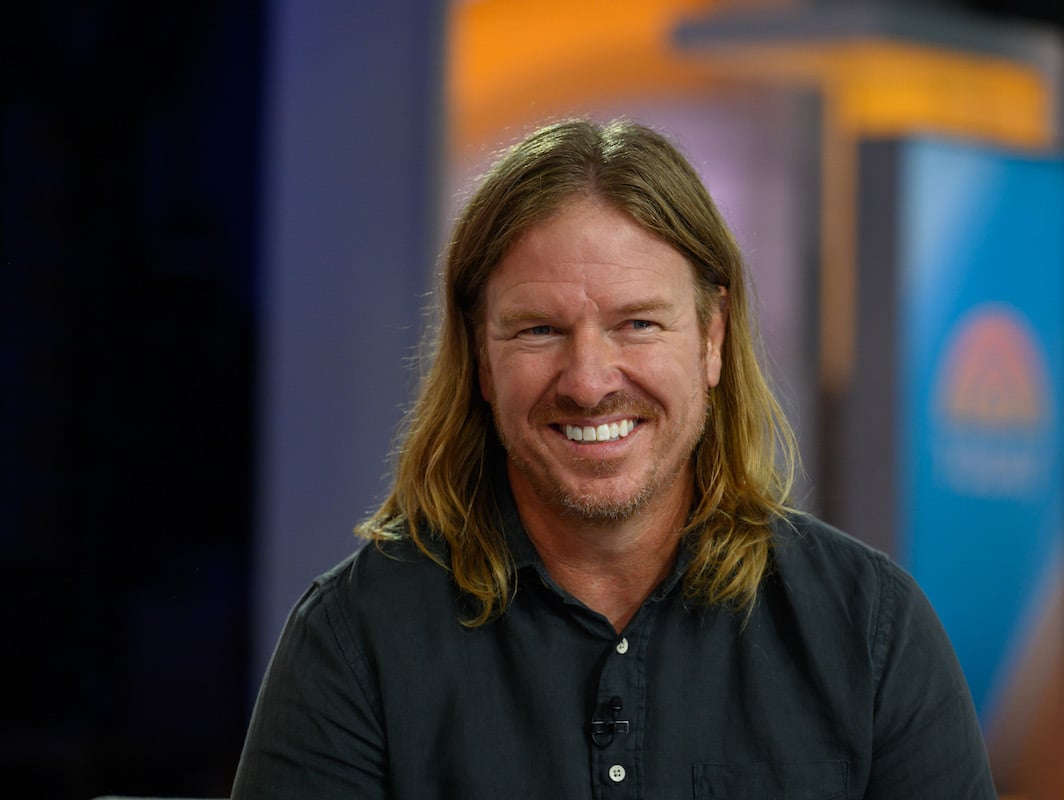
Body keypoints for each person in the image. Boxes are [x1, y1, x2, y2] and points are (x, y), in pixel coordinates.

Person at [231, 119, 996, 799]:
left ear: (712, 339)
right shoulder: (354, 641)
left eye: (637, 324)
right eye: (537, 331)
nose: (590, 382)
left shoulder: (870, 633)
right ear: (481, 359)